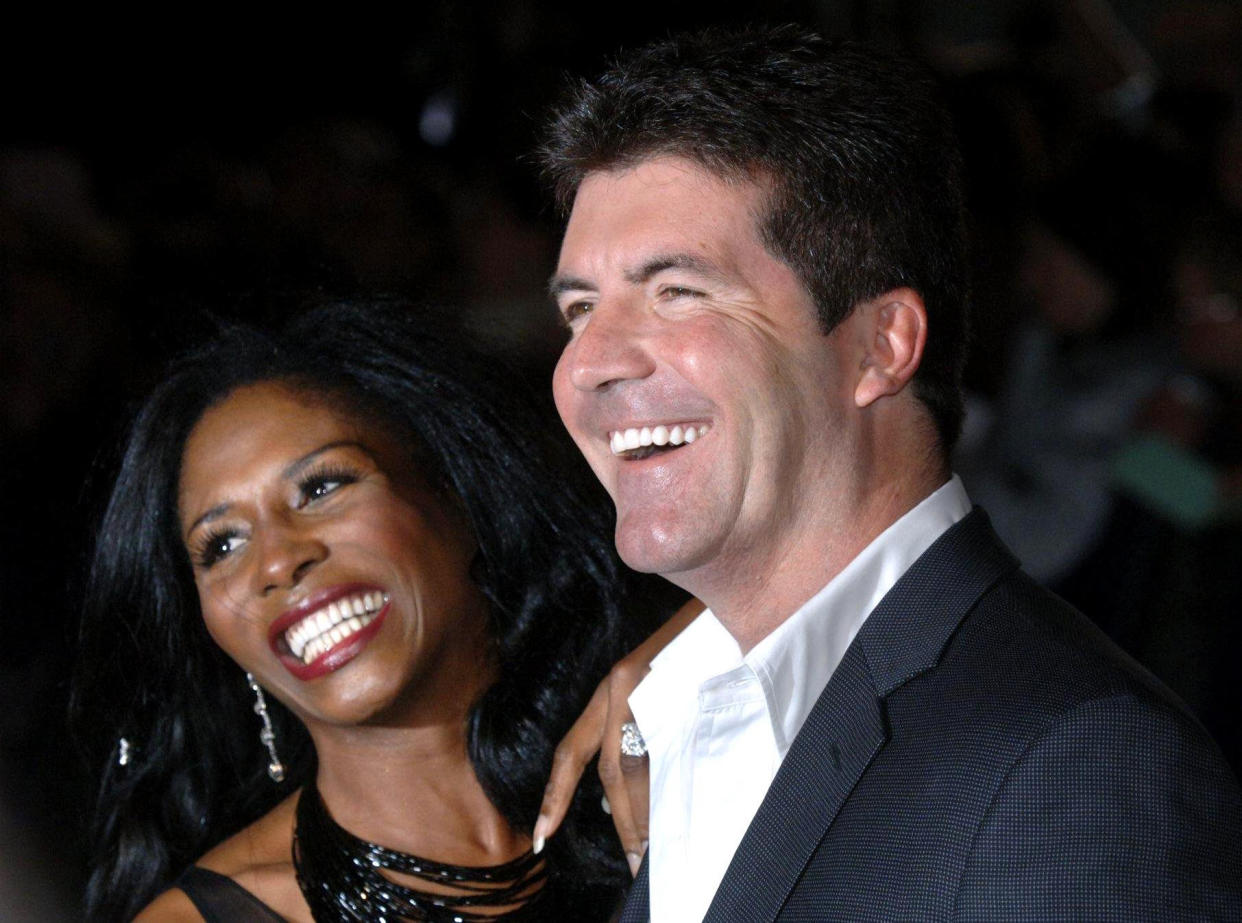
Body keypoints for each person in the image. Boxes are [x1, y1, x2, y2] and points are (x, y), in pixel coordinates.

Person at [533, 24, 1242, 922]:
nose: (588, 363)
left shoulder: (1075, 765)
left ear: (881, 346)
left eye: (677, 291)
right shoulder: (672, 715)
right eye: (579, 310)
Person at [71, 301, 646, 922]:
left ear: (456, 493)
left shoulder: (673, 731)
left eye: (320, 488)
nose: (276, 563)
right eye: (222, 546)